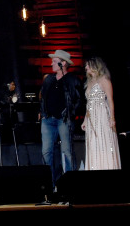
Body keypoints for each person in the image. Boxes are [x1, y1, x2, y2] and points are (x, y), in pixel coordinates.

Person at [38, 49, 82, 185]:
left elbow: (78, 99)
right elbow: (43, 97)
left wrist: (70, 113)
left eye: (55, 61)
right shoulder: (49, 79)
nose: (52, 63)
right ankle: (48, 184)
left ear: (63, 63)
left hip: (64, 119)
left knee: (67, 151)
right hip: (48, 119)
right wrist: (42, 111)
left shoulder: (72, 79)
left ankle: (69, 183)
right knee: (46, 151)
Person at [80, 57, 121, 170]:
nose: (86, 67)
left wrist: (112, 118)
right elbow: (89, 103)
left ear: (95, 66)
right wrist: (85, 120)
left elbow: (110, 100)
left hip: (102, 114)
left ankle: (107, 166)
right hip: (91, 117)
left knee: (104, 141)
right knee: (94, 143)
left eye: (88, 65)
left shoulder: (104, 80)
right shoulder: (89, 82)